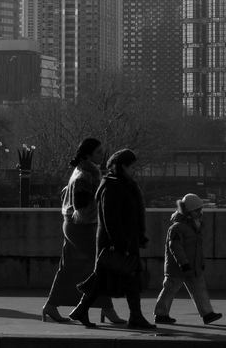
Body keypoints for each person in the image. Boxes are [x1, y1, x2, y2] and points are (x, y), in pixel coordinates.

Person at [70, 149, 156, 330]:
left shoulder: (120, 184)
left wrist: (137, 237)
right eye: (131, 166)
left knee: (111, 279)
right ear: (122, 166)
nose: (134, 170)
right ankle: (134, 316)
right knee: (114, 279)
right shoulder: (112, 186)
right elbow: (111, 219)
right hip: (115, 242)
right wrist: (121, 244)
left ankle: (83, 310)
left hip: (124, 240)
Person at [41, 137, 124, 324]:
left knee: (68, 267)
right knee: (100, 266)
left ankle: (51, 305)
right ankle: (106, 309)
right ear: (88, 154)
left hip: (72, 224)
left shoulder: (81, 171)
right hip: (82, 226)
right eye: (98, 152)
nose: (102, 155)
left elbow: (67, 194)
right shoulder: (86, 174)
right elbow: (81, 202)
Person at [153, 193, 222, 325]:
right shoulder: (177, 227)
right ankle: (160, 314)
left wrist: (199, 263)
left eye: (200, 209)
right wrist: (184, 264)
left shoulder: (195, 225)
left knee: (199, 289)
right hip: (178, 267)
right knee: (169, 290)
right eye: (197, 210)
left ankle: (207, 314)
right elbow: (175, 247)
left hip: (192, 266)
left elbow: (197, 248)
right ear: (189, 211)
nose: (200, 212)